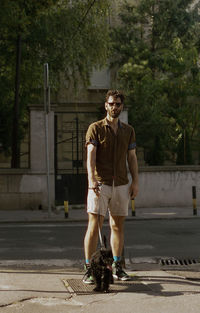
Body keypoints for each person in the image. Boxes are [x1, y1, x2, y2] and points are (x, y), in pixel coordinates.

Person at [83, 90, 139, 284]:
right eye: (111, 103)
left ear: (122, 107)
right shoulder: (95, 128)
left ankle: (117, 265)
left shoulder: (128, 130)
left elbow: (132, 158)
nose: (115, 107)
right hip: (100, 183)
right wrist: (91, 180)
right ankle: (89, 268)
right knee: (94, 226)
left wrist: (135, 182)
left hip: (121, 184)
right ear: (105, 105)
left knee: (117, 226)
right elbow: (90, 157)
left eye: (118, 104)